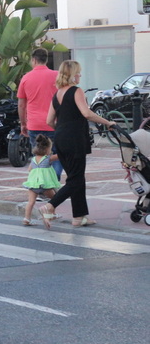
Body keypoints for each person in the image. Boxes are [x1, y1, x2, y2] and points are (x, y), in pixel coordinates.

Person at [38, 60, 116, 229]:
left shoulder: (57, 94)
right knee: (76, 179)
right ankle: (50, 206)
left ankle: (79, 216)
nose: (80, 75)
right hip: (75, 139)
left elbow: (49, 120)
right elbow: (86, 113)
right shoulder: (76, 90)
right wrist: (107, 122)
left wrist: (62, 130)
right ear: (72, 74)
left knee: (76, 177)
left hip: (60, 138)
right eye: (78, 72)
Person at [17, 47, 63, 180]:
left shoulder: (26, 78)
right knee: (57, 155)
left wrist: (23, 124)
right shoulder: (56, 76)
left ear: (33, 60)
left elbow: (21, 104)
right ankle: (54, 183)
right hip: (55, 123)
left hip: (35, 124)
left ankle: (40, 185)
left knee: (39, 157)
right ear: (46, 60)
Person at [22, 134, 61, 226]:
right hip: (45, 185)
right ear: (47, 149)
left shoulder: (33, 159)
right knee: (54, 199)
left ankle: (27, 218)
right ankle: (52, 214)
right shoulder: (48, 159)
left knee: (31, 202)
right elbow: (60, 156)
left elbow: (29, 169)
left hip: (33, 185)